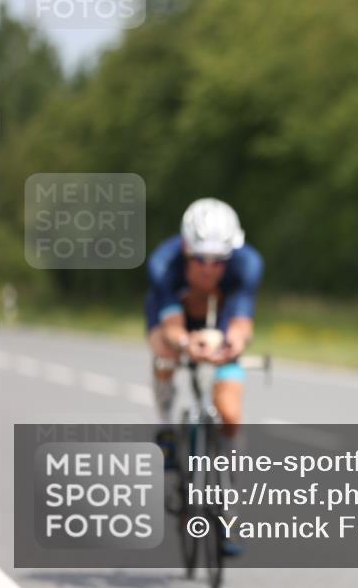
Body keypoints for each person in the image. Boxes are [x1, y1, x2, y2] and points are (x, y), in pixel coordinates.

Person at [145, 198, 263, 554]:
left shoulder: (248, 264)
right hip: (175, 322)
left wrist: (233, 345)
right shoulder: (164, 265)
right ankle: (167, 425)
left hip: (220, 321)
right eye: (200, 259)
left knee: (229, 413)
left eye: (219, 261)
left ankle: (228, 514)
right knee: (165, 354)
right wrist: (185, 343)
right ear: (185, 249)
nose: (210, 268)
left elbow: (242, 323)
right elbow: (170, 328)